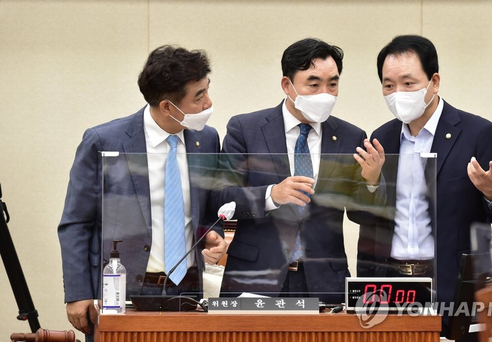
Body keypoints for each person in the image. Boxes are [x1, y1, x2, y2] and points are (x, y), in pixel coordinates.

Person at [357, 35, 492, 338]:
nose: (397, 93)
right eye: (388, 85)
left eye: (408, 83)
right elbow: (366, 217)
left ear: (434, 82)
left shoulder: (478, 134)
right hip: (389, 288)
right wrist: (369, 185)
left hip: (453, 289)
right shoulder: (382, 138)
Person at [57, 45, 226, 340]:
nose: (208, 103)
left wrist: (215, 236)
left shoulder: (207, 139)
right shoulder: (104, 141)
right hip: (122, 292)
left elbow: (209, 210)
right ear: (167, 106)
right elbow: (76, 223)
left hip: (189, 292)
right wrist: (78, 293)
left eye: (207, 90)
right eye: (199, 96)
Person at [213, 38, 384, 304]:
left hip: (325, 279)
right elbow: (221, 197)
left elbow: (361, 214)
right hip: (256, 276)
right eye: (313, 84)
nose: (325, 93)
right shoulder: (246, 129)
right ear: (287, 85)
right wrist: (272, 195)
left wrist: (371, 182)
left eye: (333, 84)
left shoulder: (351, 136)